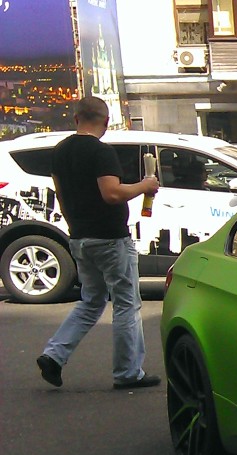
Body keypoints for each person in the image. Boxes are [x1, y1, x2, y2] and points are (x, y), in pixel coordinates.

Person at [36, 96, 161, 390]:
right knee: (126, 305)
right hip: (110, 239)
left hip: (79, 237)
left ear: (76, 118)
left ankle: (53, 356)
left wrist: (75, 227)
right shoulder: (101, 152)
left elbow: (61, 194)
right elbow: (112, 194)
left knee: (91, 302)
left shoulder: (60, 151)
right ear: (105, 122)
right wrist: (146, 185)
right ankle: (128, 372)